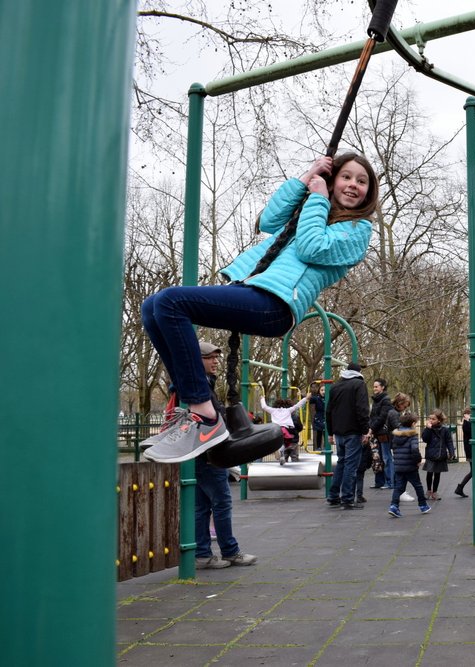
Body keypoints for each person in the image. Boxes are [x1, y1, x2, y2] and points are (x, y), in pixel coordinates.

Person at [140, 153, 378, 463]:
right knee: (153, 306)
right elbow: (267, 221)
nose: (353, 185)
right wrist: (306, 178)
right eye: (346, 177)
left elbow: (311, 246)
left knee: (172, 302)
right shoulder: (311, 210)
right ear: (334, 181)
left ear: (368, 193)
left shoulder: (357, 230)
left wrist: (318, 198)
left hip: (277, 305)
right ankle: (192, 409)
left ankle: (204, 414)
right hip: (254, 289)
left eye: (361, 181)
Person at [192, 341, 256, 569]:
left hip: (199, 453)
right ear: (197, 360)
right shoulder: (198, 387)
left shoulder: (198, 384)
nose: (215, 361)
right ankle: (230, 551)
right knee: (222, 502)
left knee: (201, 506)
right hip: (209, 452)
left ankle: (202, 554)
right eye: (209, 357)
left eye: (216, 357)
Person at [324, 362, 370, 509]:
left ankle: (333, 496)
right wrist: (365, 430)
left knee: (341, 463)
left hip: (338, 432)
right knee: (351, 465)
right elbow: (362, 409)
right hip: (353, 431)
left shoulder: (335, 386)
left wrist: (330, 432)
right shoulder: (359, 385)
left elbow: (328, 411)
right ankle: (348, 498)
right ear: (359, 372)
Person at [387, 412, 432, 518]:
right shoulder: (412, 434)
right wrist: (418, 460)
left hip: (398, 465)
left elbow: (393, 447)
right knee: (418, 486)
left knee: (398, 487)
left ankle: (394, 506)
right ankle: (423, 505)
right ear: (412, 423)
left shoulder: (395, 434)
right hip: (410, 466)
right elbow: (414, 449)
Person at [259, 393, 310, 463]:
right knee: (287, 442)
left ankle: (281, 453)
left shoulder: (273, 410)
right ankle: (282, 453)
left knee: (280, 442)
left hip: (276, 429)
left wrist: (262, 399)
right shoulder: (288, 410)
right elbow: (297, 405)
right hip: (287, 429)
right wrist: (306, 398)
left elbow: (264, 407)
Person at [422, 409, 455, 500]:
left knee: (437, 474)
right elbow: (425, 439)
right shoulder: (428, 429)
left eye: (433, 419)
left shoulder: (445, 430)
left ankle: (435, 491)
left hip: (440, 455)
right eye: (430, 418)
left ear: (439, 420)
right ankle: (428, 490)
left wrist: (452, 452)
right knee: (429, 473)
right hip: (431, 454)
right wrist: (428, 429)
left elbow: (449, 441)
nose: (430, 420)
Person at [368, 378, 393, 490]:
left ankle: (390, 481)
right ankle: (380, 481)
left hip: (383, 433)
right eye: (374, 386)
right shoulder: (376, 400)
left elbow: (382, 418)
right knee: (377, 457)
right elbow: (373, 416)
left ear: (382, 387)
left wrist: (371, 428)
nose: (374, 389)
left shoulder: (386, 400)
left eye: (376, 386)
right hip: (376, 432)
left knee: (386, 457)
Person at [454, 407, 473, 497]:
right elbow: (471, 432)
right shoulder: (466, 424)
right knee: (474, 471)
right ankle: (460, 487)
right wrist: (468, 420)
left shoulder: (469, 423)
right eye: (470, 414)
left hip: (471, 450)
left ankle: (460, 488)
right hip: (470, 450)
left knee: (474, 471)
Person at [308, 384, 326, 452]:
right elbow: (309, 399)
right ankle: (318, 447)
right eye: (322, 390)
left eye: (325, 390)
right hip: (319, 416)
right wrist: (301, 395)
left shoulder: (329, 397)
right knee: (319, 432)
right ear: (319, 391)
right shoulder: (317, 398)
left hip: (326, 416)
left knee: (326, 432)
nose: (323, 392)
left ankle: (326, 446)